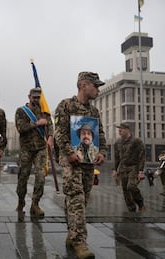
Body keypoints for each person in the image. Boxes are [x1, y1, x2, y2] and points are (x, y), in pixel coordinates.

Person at [54, 72, 107, 259]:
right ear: (84, 85)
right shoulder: (65, 105)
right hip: (70, 161)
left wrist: (102, 152)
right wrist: (70, 153)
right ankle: (80, 242)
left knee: (82, 199)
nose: (98, 89)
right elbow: (59, 133)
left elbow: (100, 135)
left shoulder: (94, 112)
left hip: (88, 161)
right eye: (95, 86)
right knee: (76, 197)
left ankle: (72, 232)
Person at [14, 87, 54, 217]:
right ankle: (21, 201)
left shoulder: (44, 111)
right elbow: (21, 128)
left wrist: (51, 137)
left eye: (38, 97)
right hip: (26, 148)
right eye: (34, 97)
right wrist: (36, 124)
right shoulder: (21, 111)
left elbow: (50, 125)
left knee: (41, 176)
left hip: (41, 148)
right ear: (29, 97)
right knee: (23, 176)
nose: (36, 99)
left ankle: (35, 204)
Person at [113, 122, 146, 213]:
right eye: (119, 129)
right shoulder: (118, 142)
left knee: (131, 186)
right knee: (125, 190)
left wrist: (141, 171)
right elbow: (116, 157)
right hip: (123, 168)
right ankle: (131, 210)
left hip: (133, 167)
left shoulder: (136, 141)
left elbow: (142, 156)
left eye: (121, 129)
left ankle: (140, 203)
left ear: (128, 130)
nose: (119, 131)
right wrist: (115, 170)